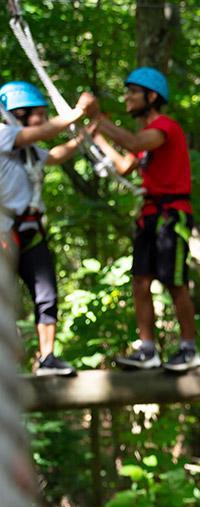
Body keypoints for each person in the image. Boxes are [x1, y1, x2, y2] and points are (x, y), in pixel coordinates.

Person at [87, 67, 200, 372]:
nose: (126, 97)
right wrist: (98, 137)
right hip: (150, 216)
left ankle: (189, 349)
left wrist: (101, 119)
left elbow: (136, 144)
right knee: (140, 282)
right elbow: (126, 164)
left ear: (152, 97)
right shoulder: (146, 138)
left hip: (171, 216)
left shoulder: (165, 127)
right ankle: (147, 349)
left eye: (132, 92)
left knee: (174, 282)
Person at [0, 80, 96, 376]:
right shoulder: (4, 135)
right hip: (4, 232)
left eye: (44, 113)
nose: (42, 119)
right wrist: (78, 111)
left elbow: (54, 155)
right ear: (19, 114)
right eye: (38, 113)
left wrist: (87, 135)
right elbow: (45, 131)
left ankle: (47, 357)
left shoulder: (29, 150)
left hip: (31, 231)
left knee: (46, 295)